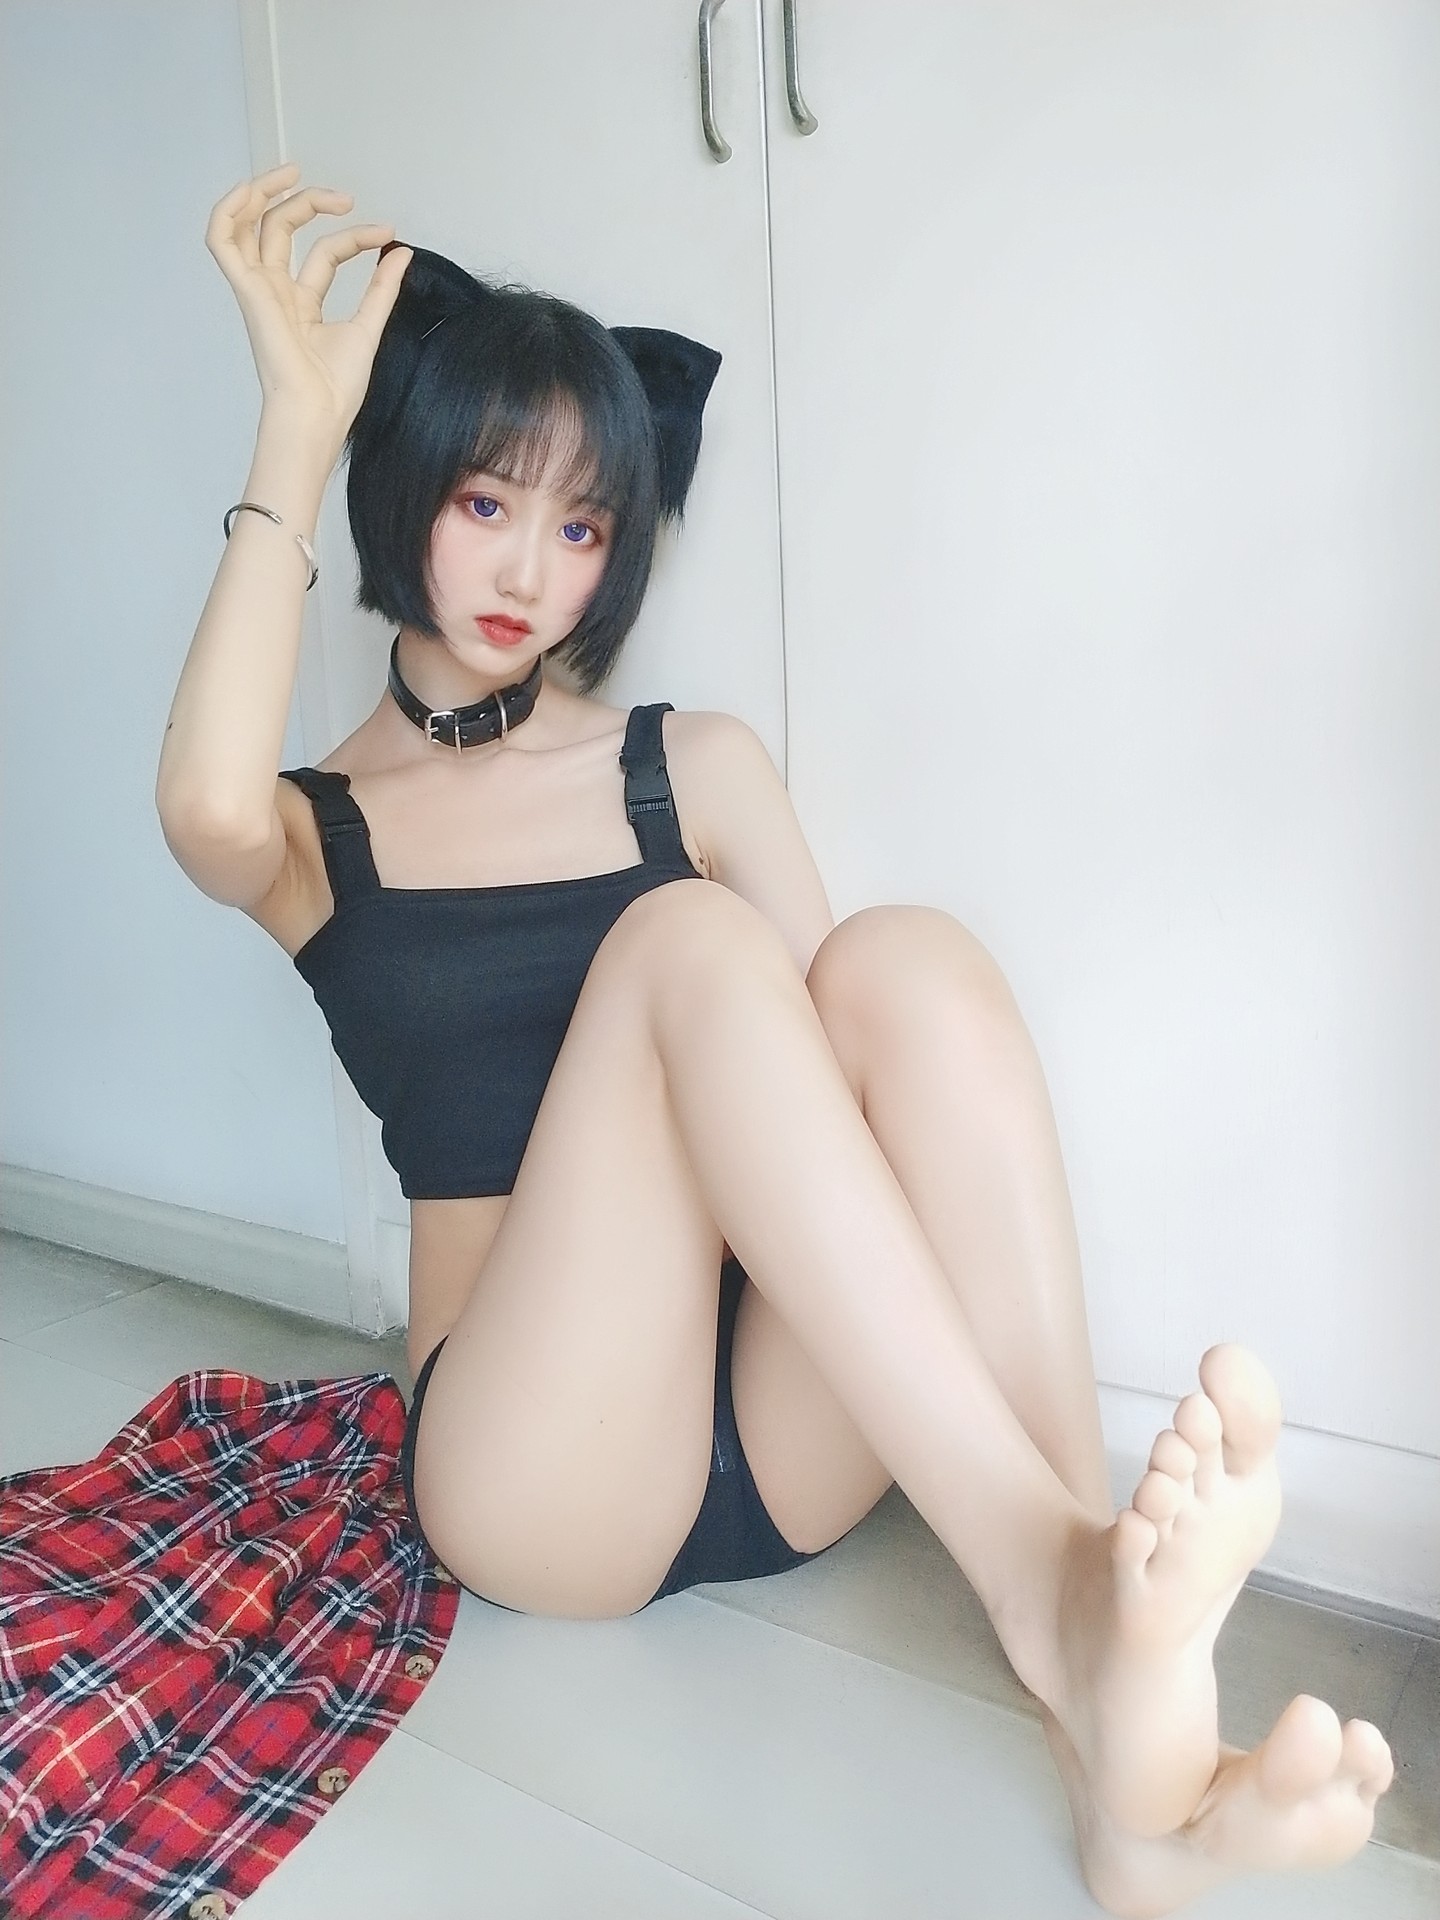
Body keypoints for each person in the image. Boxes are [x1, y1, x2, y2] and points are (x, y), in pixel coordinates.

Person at [157, 164, 1393, 1916]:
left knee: (905, 962)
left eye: (582, 528)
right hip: (536, 1472)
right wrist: (297, 424)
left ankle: (1112, 1723)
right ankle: (1058, 1596)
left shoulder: (695, 764)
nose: (527, 569)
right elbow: (200, 808)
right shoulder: (314, 828)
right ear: (405, 482)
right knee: (686, 943)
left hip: (780, 1435)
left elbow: (846, 1106)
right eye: (488, 500)